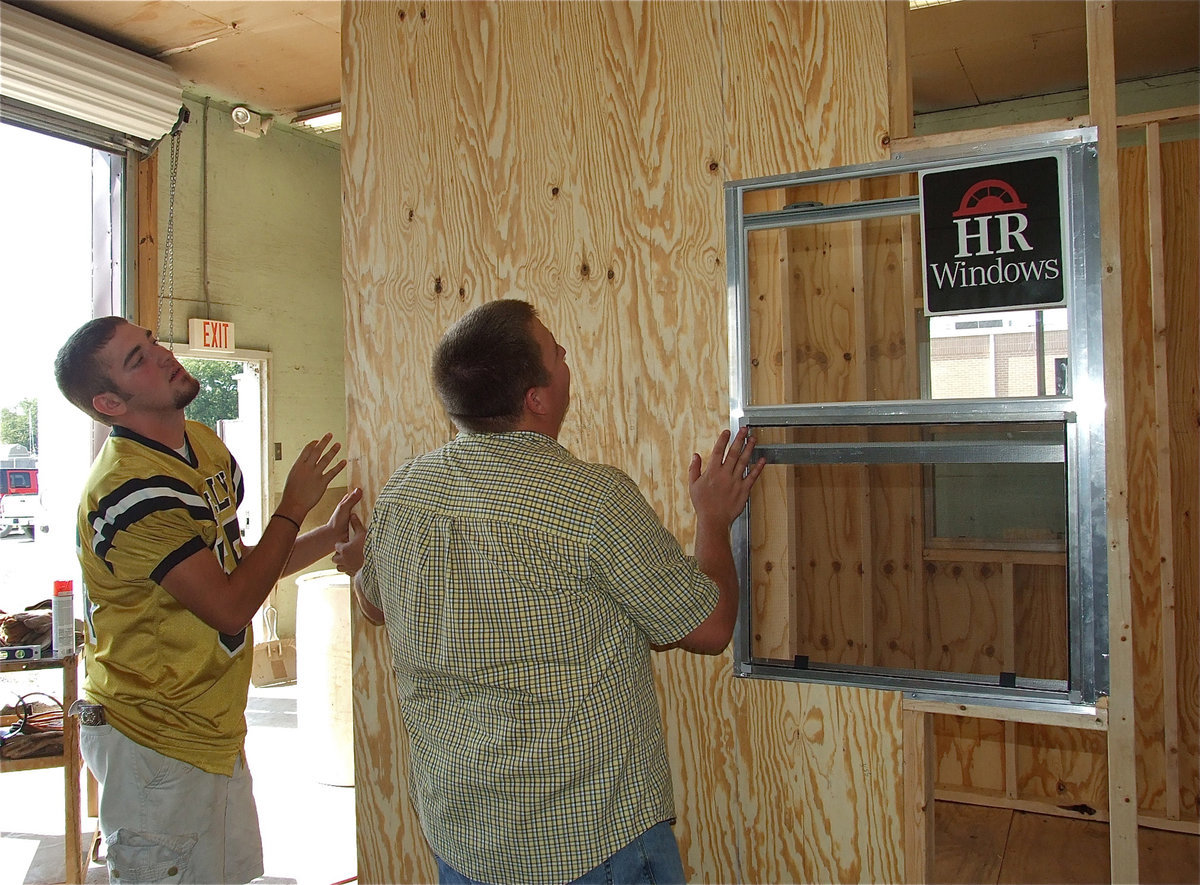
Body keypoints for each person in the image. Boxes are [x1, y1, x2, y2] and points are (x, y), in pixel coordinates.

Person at [333, 299, 765, 885]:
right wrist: (713, 519)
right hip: (591, 848)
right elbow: (710, 628)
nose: (565, 357)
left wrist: (368, 558)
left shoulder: (406, 493)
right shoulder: (593, 502)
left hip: (465, 840)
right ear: (536, 398)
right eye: (556, 351)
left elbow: (373, 603)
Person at [54, 316, 361, 884]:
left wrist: (325, 536)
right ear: (110, 403)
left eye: (151, 342)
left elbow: (238, 569)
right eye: (138, 360)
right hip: (154, 737)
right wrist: (293, 508)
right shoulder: (129, 490)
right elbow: (229, 607)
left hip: (209, 728)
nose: (163, 355)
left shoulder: (203, 445)